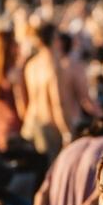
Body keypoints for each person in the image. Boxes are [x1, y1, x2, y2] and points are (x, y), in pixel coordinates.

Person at [21, 22, 71, 163]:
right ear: (54, 39)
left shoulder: (31, 65)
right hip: (49, 127)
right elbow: (58, 102)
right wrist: (66, 132)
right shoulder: (54, 67)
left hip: (30, 124)